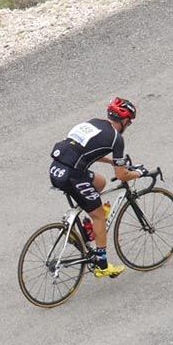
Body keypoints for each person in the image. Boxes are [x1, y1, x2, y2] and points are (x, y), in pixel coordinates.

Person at [48, 97, 145, 278]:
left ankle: (84, 228)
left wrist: (110, 162)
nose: (129, 124)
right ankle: (101, 264)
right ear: (124, 120)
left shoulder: (94, 123)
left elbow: (86, 150)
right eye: (129, 121)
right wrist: (139, 173)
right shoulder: (116, 139)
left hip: (56, 168)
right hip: (72, 176)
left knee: (100, 182)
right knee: (99, 215)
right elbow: (123, 175)